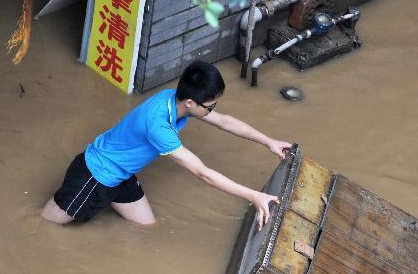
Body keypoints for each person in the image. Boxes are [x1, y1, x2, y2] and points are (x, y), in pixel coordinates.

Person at [41, 60, 291, 230]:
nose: (214, 110)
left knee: (147, 228)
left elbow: (225, 122)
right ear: (192, 103)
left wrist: (269, 142)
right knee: (44, 226)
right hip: (94, 176)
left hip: (121, 175)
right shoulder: (159, 126)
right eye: (211, 106)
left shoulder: (176, 100)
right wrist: (253, 196)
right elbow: (202, 173)